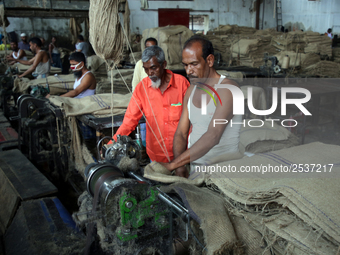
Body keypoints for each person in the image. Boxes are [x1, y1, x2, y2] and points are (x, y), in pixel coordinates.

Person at [160, 36, 242, 177]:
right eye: (185, 65)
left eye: (194, 64)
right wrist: (180, 168)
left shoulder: (227, 89)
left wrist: (173, 164)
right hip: (196, 167)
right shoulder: (192, 89)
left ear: (209, 60)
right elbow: (181, 132)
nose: (188, 71)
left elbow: (213, 135)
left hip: (223, 171)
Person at [107, 46, 190, 162]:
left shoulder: (182, 84)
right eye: (145, 69)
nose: (149, 73)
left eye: (153, 68)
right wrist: (111, 145)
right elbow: (129, 121)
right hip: (156, 156)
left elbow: (192, 121)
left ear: (164, 64)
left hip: (182, 154)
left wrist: (189, 152)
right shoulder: (142, 88)